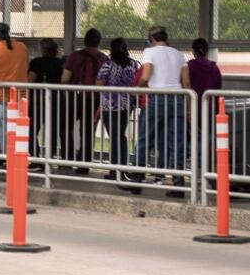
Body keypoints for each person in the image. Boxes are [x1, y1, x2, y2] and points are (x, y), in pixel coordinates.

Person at [128, 26, 190, 187]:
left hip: (157, 98)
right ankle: (178, 181)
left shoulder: (150, 52)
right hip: (178, 100)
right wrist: (189, 108)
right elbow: (186, 83)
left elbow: (146, 75)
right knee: (176, 142)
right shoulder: (178, 54)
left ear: (152, 39)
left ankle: (138, 177)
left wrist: (136, 90)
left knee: (145, 137)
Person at [61, 28, 107, 172]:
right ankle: (84, 165)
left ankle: (67, 160)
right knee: (88, 131)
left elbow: (65, 79)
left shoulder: (75, 56)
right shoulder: (104, 58)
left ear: (85, 40)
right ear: (99, 42)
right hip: (95, 100)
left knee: (65, 127)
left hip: (75, 98)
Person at [0, 22, 29, 151]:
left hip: (3, 99)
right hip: (22, 100)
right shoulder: (22, 47)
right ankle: (20, 163)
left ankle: (10, 165)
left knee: (5, 136)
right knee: (20, 136)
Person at [96, 38, 139, 172]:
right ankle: (123, 165)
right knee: (120, 134)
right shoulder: (133, 64)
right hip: (127, 104)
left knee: (114, 136)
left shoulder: (108, 64)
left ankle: (115, 168)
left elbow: (99, 84)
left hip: (109, 105)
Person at [27, 38, 64, 160]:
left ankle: (34, 154)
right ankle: (50, 155)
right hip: (55, 99)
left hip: (38, 100)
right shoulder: (60, 63)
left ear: (42, 49)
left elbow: (30, 80)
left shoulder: (37, 62)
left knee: (31, 129)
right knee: (52, 130)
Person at [187, 38, 222, 104]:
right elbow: (218, 89)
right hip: (210, 108)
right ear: (207, 51)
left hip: (194, 107)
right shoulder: (215, 68)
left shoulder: (189, 66)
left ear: (193, 51)